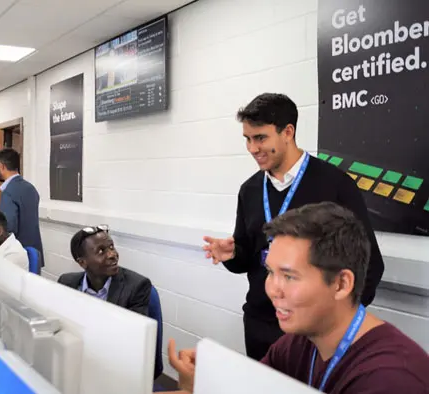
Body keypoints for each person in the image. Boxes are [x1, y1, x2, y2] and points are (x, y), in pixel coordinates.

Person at [167, 202, 429, 394]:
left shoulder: (392, 380)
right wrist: (208, 380)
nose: (272, 289)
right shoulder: (297, 344)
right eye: (270, 272)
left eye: (289, 276)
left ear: (341, 283)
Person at [202, 93, 384, 360]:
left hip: (314, 333)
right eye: (248, 139)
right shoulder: (250, 190)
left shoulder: (334, 185)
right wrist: (233, 255)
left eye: (260, 138)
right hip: (260, 324)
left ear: (287, 132)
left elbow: (370, 264)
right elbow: (249, 256)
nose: (252, 148)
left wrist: (335, 322)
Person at [57, 225, 152, 316]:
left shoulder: (136, 287)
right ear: (82, 262)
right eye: (101, 251)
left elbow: (133, 331)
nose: (112, 255)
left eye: (111, 247)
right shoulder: (66, 283)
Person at [0, 148, 44, 267]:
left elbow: (9, 227)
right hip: (33, 254)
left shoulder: (9, 192)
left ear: (1, 166)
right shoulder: (31, 188)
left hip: (16, 256)